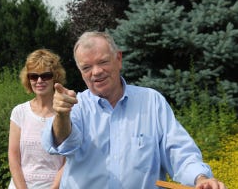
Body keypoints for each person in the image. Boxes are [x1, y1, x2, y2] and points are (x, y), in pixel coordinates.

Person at [42, 31, 227, 189]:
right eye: (87, 67)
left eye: (103, 62)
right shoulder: (75, 105)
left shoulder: (151, 102)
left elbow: (178, 150)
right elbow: (62, 142)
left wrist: (200, 179)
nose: (96, 72)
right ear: (80, 71)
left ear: (118, 59)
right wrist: (61, 115)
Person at [8, 49, 66, 189]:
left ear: (55, 77)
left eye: (45, 75)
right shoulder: (19, 112)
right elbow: (13, 156)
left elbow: (69, 159)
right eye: (34, 76)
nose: (39, 81)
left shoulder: (65, 112)